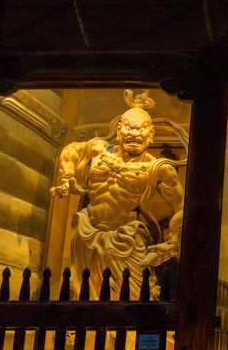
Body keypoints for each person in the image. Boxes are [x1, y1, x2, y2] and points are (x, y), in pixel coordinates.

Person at [50, 90, 185, 300]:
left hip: (127, 239)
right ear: (119, 129)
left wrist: (173, 243)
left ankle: (129, 333)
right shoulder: (98, 151)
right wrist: (67, 176)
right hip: (88, 233)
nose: (134, 135)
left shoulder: (156, 168)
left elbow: (182, 206)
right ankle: (90, 332)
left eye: (140, 130)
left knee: (138, 297)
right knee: (85, 294)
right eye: (129, 128)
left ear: (150, 134)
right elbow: (70, 150)